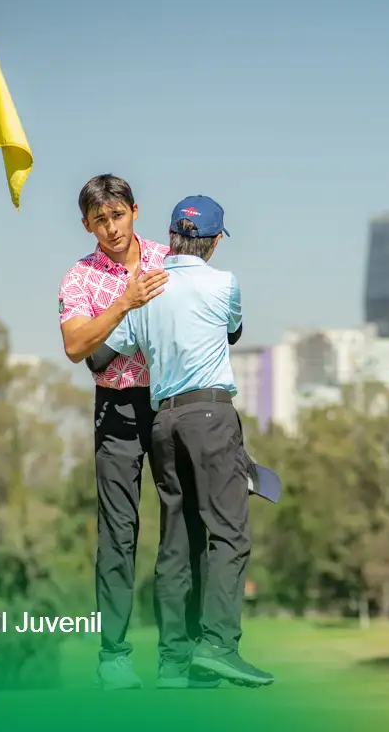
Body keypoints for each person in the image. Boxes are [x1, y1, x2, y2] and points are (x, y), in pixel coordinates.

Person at [103, 195, 275, 689]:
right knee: (229, 533)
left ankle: (174, 663)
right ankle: (218, 646)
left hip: (163, 422)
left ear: (172, 237)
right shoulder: (224, 283)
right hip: (211, 416)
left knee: (176, 541)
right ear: (215, 241)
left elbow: (101, 357)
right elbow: (233, 332)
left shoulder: (145, 287)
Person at [57, 173, 174, 691]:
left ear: (134, 211)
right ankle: (114, 657)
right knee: (118, 534)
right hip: (117, 409)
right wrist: (124, 302)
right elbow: (75, 346)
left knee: (179, 526)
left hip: (169, 403)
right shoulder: (78, 278)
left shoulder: (168, 260)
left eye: (118, 215)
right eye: (99, 220)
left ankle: (178, 653)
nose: (111, 228)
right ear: (87, 224)